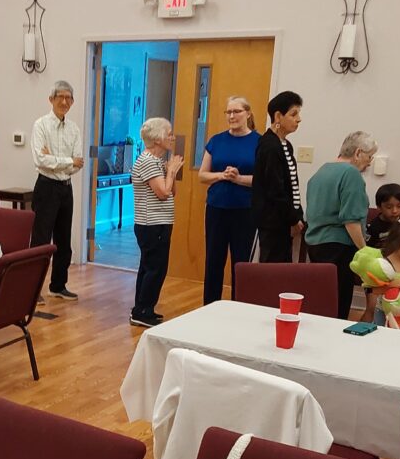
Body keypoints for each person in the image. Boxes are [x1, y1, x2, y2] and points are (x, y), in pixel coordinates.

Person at [304, 131, 376, 319]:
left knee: (322, 300)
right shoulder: (351, 173)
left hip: (315, 244)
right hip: (339, 247)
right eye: (369, 156)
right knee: (338, 303)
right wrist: (364, 251)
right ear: (358, 152)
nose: (370, 162)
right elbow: (351, 220)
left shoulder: (321, 172)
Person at [198, 95, 260, 303]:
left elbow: (263, 180)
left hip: (245, 210)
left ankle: (239, 305)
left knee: (241, 261)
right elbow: (202, 175)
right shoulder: (216, 141)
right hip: (217, 208)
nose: (232, 116)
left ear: (248, 114)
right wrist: (222, 176)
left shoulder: (259, 142)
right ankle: (210, 305)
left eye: (237, 111)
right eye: (229, 112)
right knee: (213, 259)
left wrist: (239, 178)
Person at [30, 80, 83, 299]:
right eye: (60, 97)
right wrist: (67, 161)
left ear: (72, 102)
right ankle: (32, 290)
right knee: (40, 241)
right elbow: (40, 160)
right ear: (51, 99)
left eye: (68, 98)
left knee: (64, 241)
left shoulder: (74, 129)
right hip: (46, 187)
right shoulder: (41, 125)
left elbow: (79, 163)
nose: (64, 101)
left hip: (66, 188)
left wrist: (56, 160)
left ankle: (58, 285)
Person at [130, 117, 183, 327]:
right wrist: (171, 171)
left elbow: (172, 192)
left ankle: (143, 308)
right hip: (150, 224)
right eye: (169, 134)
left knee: (151, 267)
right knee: (155, 268)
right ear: (158, 138)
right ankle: (142, 311)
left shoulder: (158, 162)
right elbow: (163, 193)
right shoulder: (148, 161)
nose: (172, 137)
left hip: (159, 222)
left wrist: (171, 172)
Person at [251, 91, 304, 262]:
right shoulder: (269, 146)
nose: (298, 119)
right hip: (272, 222)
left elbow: (291, 185)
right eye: (293, 114)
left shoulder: (285, 145)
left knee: (283, 265)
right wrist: (293, 218)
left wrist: (298, 215)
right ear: (278, 116)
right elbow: (275, 189)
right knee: (272, 267)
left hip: (283, 220)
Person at [362, 183, 400, 321]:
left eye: (399, 206)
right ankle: (359, 330)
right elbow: (366, 253)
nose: (395, 211)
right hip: (376, 274)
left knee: (393, 309)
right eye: (389, 207)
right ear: (379, 206)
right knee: (372, 308)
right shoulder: (373, 227)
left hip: (397, 273)